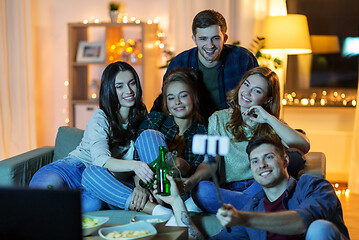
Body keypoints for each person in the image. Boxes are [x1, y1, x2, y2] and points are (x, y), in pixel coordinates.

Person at [30, 61, 156, 213]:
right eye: (119, 86)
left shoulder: (143, 120)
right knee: (44, 194)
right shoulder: (101, 117)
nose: (128, 90)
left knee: (93, 205)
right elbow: (100, 160)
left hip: (98, 181)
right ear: (110, 89)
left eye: (132, 83)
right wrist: (135, 165)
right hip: (72, 169)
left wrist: (140, 182)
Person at [192, 66, 310, 213]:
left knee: (280, 176)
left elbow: (303, 146)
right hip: (230, 190)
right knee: (201, 191)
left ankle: (249, 211)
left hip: (261, 185)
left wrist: (267, 118)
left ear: (268, 99)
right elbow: (211, 163)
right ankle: (261, 209)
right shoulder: (218, 118)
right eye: (246, 84)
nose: (247, 93)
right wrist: (192, 181)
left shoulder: (271, 123)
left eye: (257, 91)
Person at [212, 135, 349, 240]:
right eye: (255, 161)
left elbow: (302, 222)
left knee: (320, 228)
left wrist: (245, 219)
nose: (262, 165)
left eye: (269, 157)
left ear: (285, 161)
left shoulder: (313, 186)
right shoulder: (254, 206)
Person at [151, 9, 258, 121]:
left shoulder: (243, 59)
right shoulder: (180, 63)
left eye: (215, 38)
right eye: (203, 39)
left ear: (225, 38)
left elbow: (261, 95)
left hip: (235, 128)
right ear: (194, 39)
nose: (210, 45)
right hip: (194, 131)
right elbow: (166, 102)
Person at [134, 68, 208, 210]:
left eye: (183, 96)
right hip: (152, 191)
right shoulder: (154, 121)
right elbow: (138, 163)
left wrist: (183, 167)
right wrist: (140, 185)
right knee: (149, 136)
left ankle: (167, 207)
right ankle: (161, 203)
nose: (177, 102)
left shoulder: (203, 133)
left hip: (183, 192)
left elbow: (200, 172)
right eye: (171, 98)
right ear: (166, 102)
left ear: (194, 97)